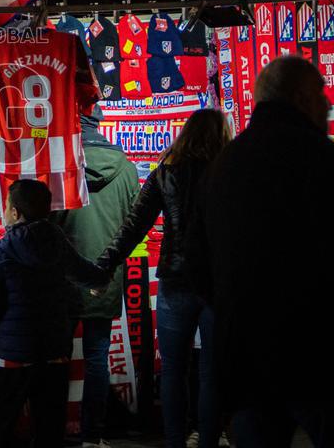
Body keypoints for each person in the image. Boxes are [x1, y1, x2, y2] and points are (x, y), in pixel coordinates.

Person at [195, 56, 334, 446]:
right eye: (321, 93)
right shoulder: (320, 158)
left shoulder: (223, 165)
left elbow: (201, 264)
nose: (328, 104)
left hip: (245, 357)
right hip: (317, 353)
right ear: (301, 97)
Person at [96, 109, 232, 448]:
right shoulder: (230, 173)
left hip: (175, 279)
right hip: (217, 283)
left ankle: (174, 441)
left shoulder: (165, 173)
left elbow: (133, 226)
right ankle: (209, 440)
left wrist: (105, 265)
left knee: (173, 369)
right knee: (212, 371)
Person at [0, 179, 109, 448]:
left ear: (15, 213)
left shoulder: (3, 249)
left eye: (7, 206)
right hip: (53, 350)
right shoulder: (57, 242)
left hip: (12, 355)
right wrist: (102, 279)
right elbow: (88, 273)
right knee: (50, 428)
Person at [50, 106, 139, 448]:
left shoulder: (60, 164)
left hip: (63, 277)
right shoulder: (126, 168)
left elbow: (46, 223)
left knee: (55, 358)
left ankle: (51, 432)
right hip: (104, 276)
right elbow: (134, 223)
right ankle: (92, 435)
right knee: (97, 357)